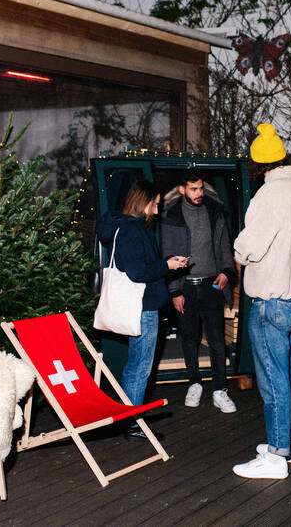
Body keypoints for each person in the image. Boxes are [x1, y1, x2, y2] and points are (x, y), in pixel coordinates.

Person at [232, 123, 291, 480]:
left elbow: (247, 247)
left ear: (259, 166)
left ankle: (275, 455)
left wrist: (238, 249)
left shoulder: (269, 196)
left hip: (271, 300)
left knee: (273, 378)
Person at [96, 179, 188, 441]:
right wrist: (167, 266)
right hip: (143, 307)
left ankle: (129, 417)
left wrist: (164, 264)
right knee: (140, 367)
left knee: (136, 365)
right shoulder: (132, 230)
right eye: (155, 205)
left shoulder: (123, 227)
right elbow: (138, 273)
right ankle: (132, 423)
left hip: (140, 305)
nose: (157, 211)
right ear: (142, 203)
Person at [161, 171, 237, 413]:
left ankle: (219, 389)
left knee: (216, 340)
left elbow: (224, 245)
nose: (199, 193)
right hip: (185, 287)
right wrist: (174, 291)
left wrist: (226, 271)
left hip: (212, 285)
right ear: (182, 189)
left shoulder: (214, 211)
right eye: (193, 189)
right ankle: (194, 382)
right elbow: (167, 254)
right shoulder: (170, 216)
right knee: (190, 339)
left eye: (201, 188)